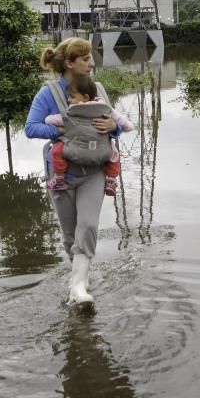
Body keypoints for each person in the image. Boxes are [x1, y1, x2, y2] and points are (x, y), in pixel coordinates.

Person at [24, 37, 122, 307]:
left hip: (94, 170)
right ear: (69, 63)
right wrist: (63, 131)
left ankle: (78, 286)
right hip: (62, 174)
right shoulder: (48, 93)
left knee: (88, 225)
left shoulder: (98, 88)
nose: (92, 63)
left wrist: (111, 126)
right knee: (69, 235)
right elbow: (31, 127)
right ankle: (78, 282)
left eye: (91, 58)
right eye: (86, 59)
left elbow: (117, 125)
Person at [45, 74, 134, 196]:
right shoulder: (106, 108)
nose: (69, 100)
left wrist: (48, 119)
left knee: (56, 149)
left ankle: (59, 177)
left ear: (85, 97)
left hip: (75, 151)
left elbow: (55, 120)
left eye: (72, 96)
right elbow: (124, 123)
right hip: (102, 151)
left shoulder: (73, 112)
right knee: (115, 154)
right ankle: (111, 180)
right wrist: (120, 126)